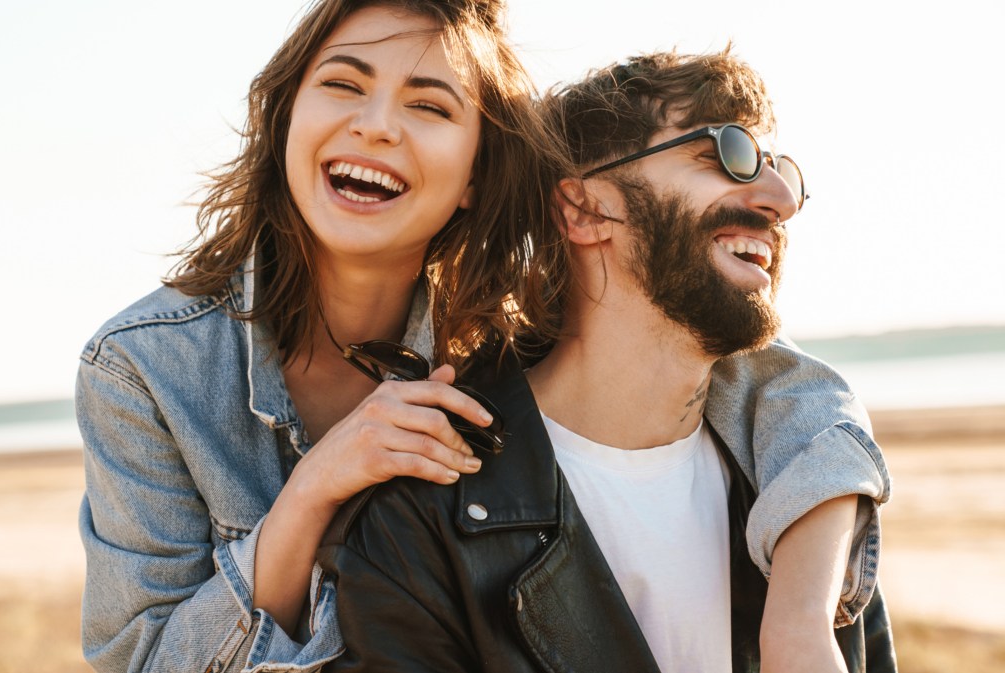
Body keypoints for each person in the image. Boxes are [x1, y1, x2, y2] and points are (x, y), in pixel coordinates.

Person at [318, 48, 895, 672]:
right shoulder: (422, 521)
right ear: (585, 209)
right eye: (729, 153)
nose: (780, 198)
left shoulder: (797, 496)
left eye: (781, 169)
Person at [75, 1, 569, 671]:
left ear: (476, 177)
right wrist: (314, 491)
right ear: (286, 118)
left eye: (429, 106)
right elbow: (145, 661)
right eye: (343, 84)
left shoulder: (524, 360)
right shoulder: (143, 367)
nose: (374, 127)